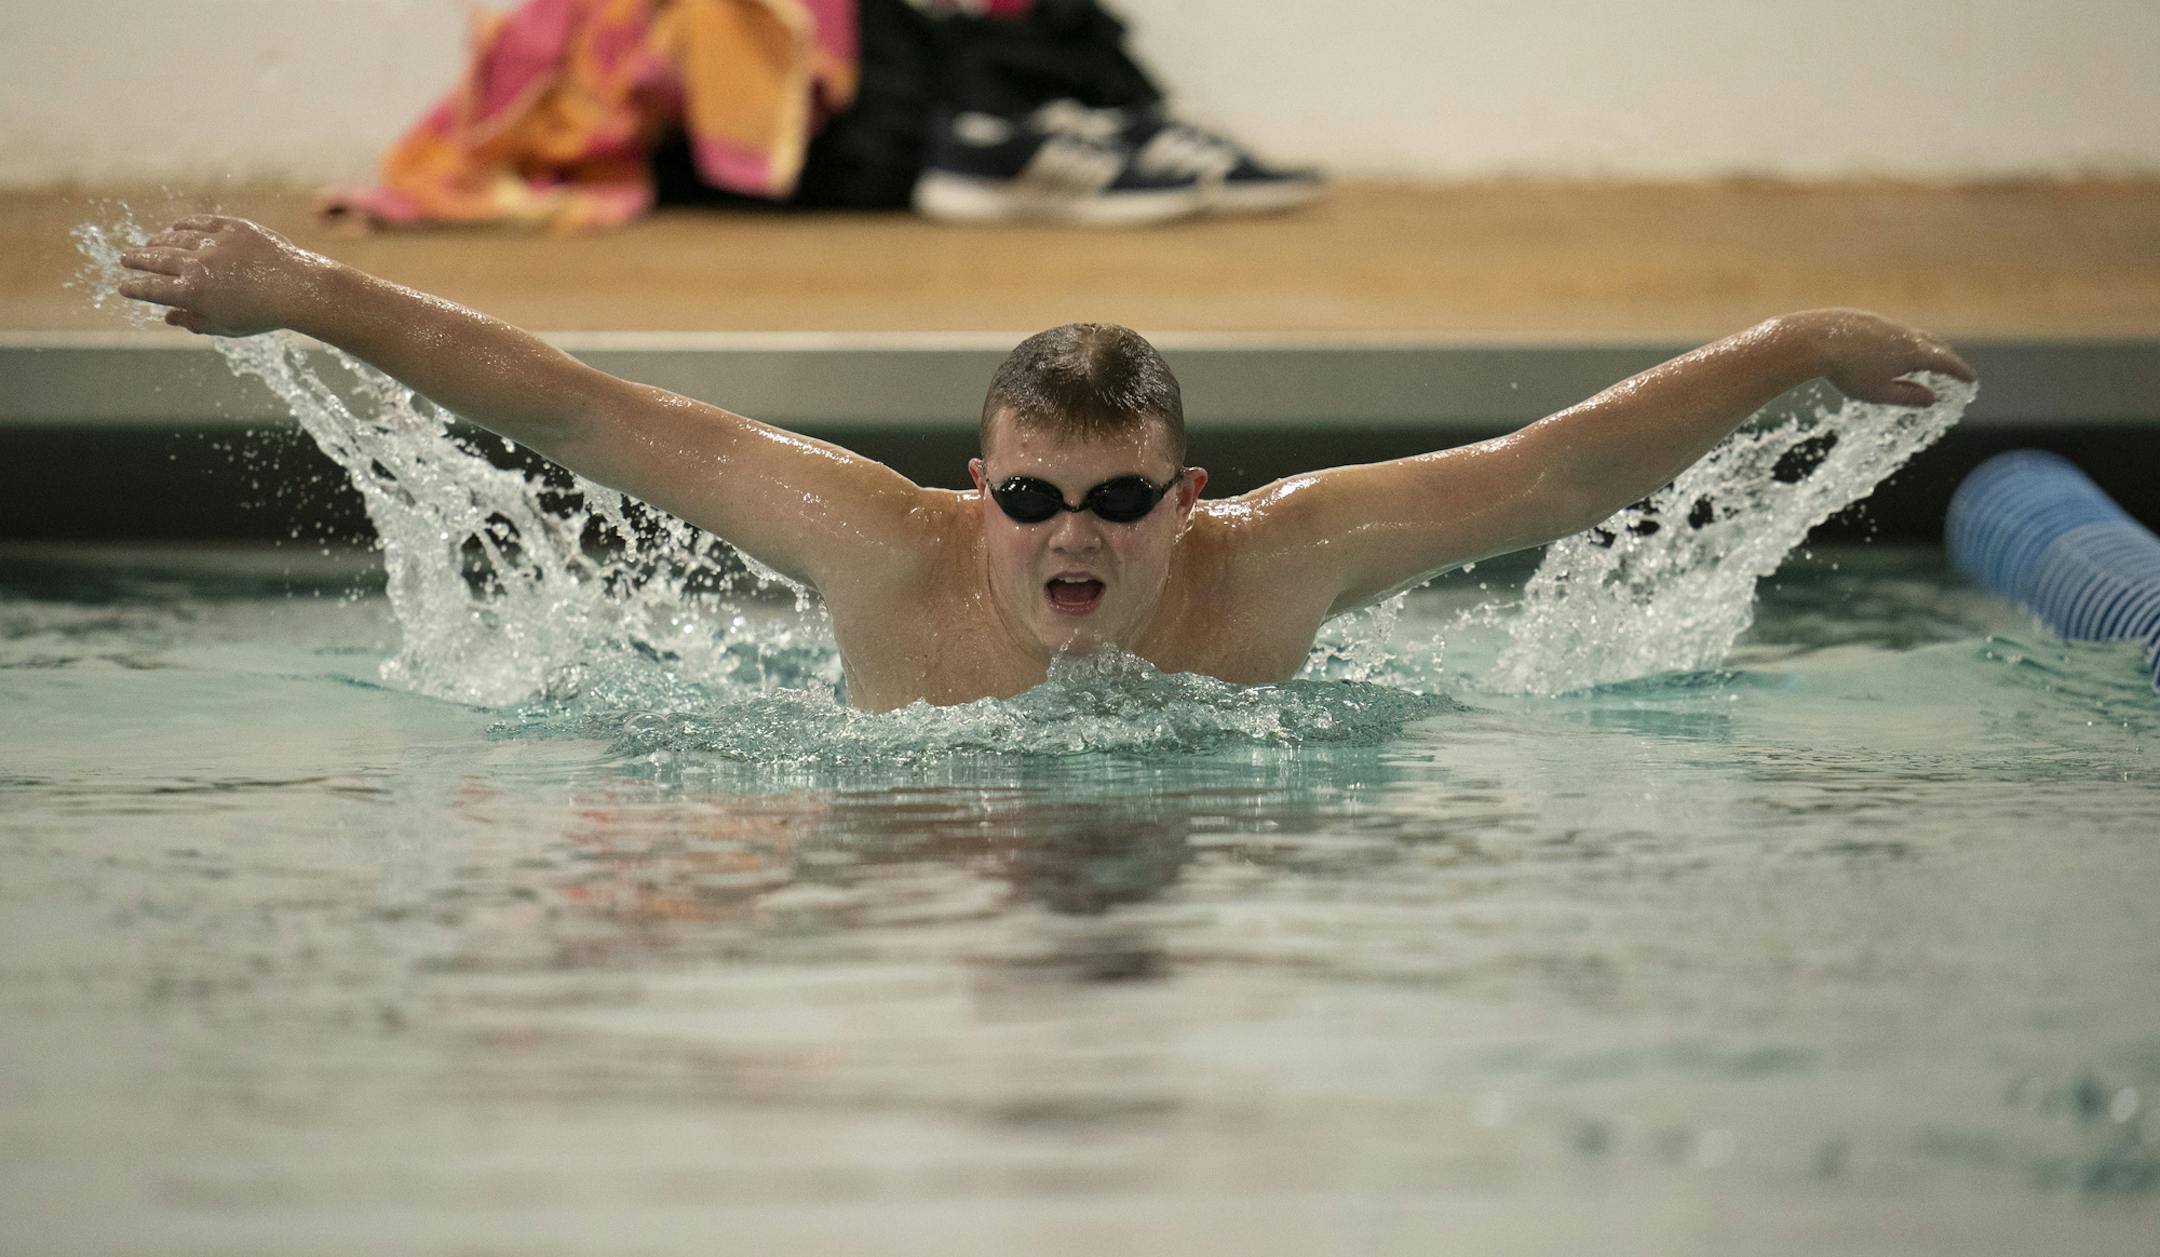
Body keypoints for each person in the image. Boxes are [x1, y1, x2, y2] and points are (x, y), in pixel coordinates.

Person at [117, 215, 1975, 711]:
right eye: (1027, 498)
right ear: (979, 487)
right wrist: (304, 289)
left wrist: (1795, 346)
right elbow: (583, 406)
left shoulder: (1281, 559)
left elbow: (1559, 469)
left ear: (1182, 499)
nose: (1061, 536)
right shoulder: (879, 549)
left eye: (1107, 500)